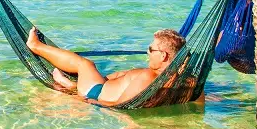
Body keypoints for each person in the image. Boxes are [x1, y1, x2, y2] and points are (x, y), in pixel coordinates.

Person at [26, 26, 186, 106]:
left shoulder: (148, 76)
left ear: (163, 55)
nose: (147, 52)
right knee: (121, 75)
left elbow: (121, 105)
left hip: (95, 93)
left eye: (151, 49)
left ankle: (35, 46)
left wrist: (83, 99)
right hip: (105, 87)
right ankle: (71, 84)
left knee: (85, 64)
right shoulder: (187, 81)